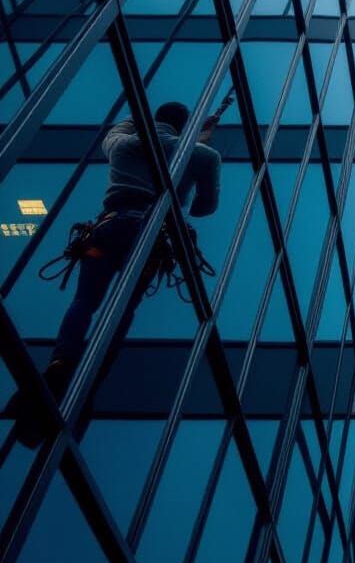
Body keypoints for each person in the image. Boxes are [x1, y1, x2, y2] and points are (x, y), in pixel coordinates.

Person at [42, 101, 221, 402]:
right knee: (124, 308)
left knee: (85, 300)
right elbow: (205, 208)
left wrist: (159, 122)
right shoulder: (200, 154)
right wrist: (196, 139)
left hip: (109, 229)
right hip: (148, 238)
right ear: (182, 126)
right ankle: (96, 369)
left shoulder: (121, 144)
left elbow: (121, 129)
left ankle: (61, 359)